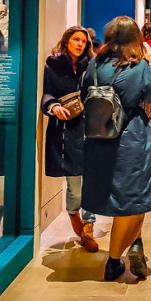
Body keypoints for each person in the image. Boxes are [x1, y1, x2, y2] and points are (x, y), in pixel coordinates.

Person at [80, 16, 151, 281]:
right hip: (132, 139)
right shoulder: (140, 67)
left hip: (98, 137)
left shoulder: (94, 63)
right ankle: (114, 259)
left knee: (119, 195)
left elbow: (83, 94)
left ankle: (135, 243)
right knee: (135, 198)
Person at [40, 26, 98, 251]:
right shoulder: (53, 64)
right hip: (66, 130)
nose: (80, 44)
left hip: (90, 129)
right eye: (76, 40)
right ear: (67, 41)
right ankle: (75, 216)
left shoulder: (92, 65)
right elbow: (47, 92)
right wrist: (53, 106)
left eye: (83, 41)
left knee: (91, 181)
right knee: (75, 186)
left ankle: (89, 226)